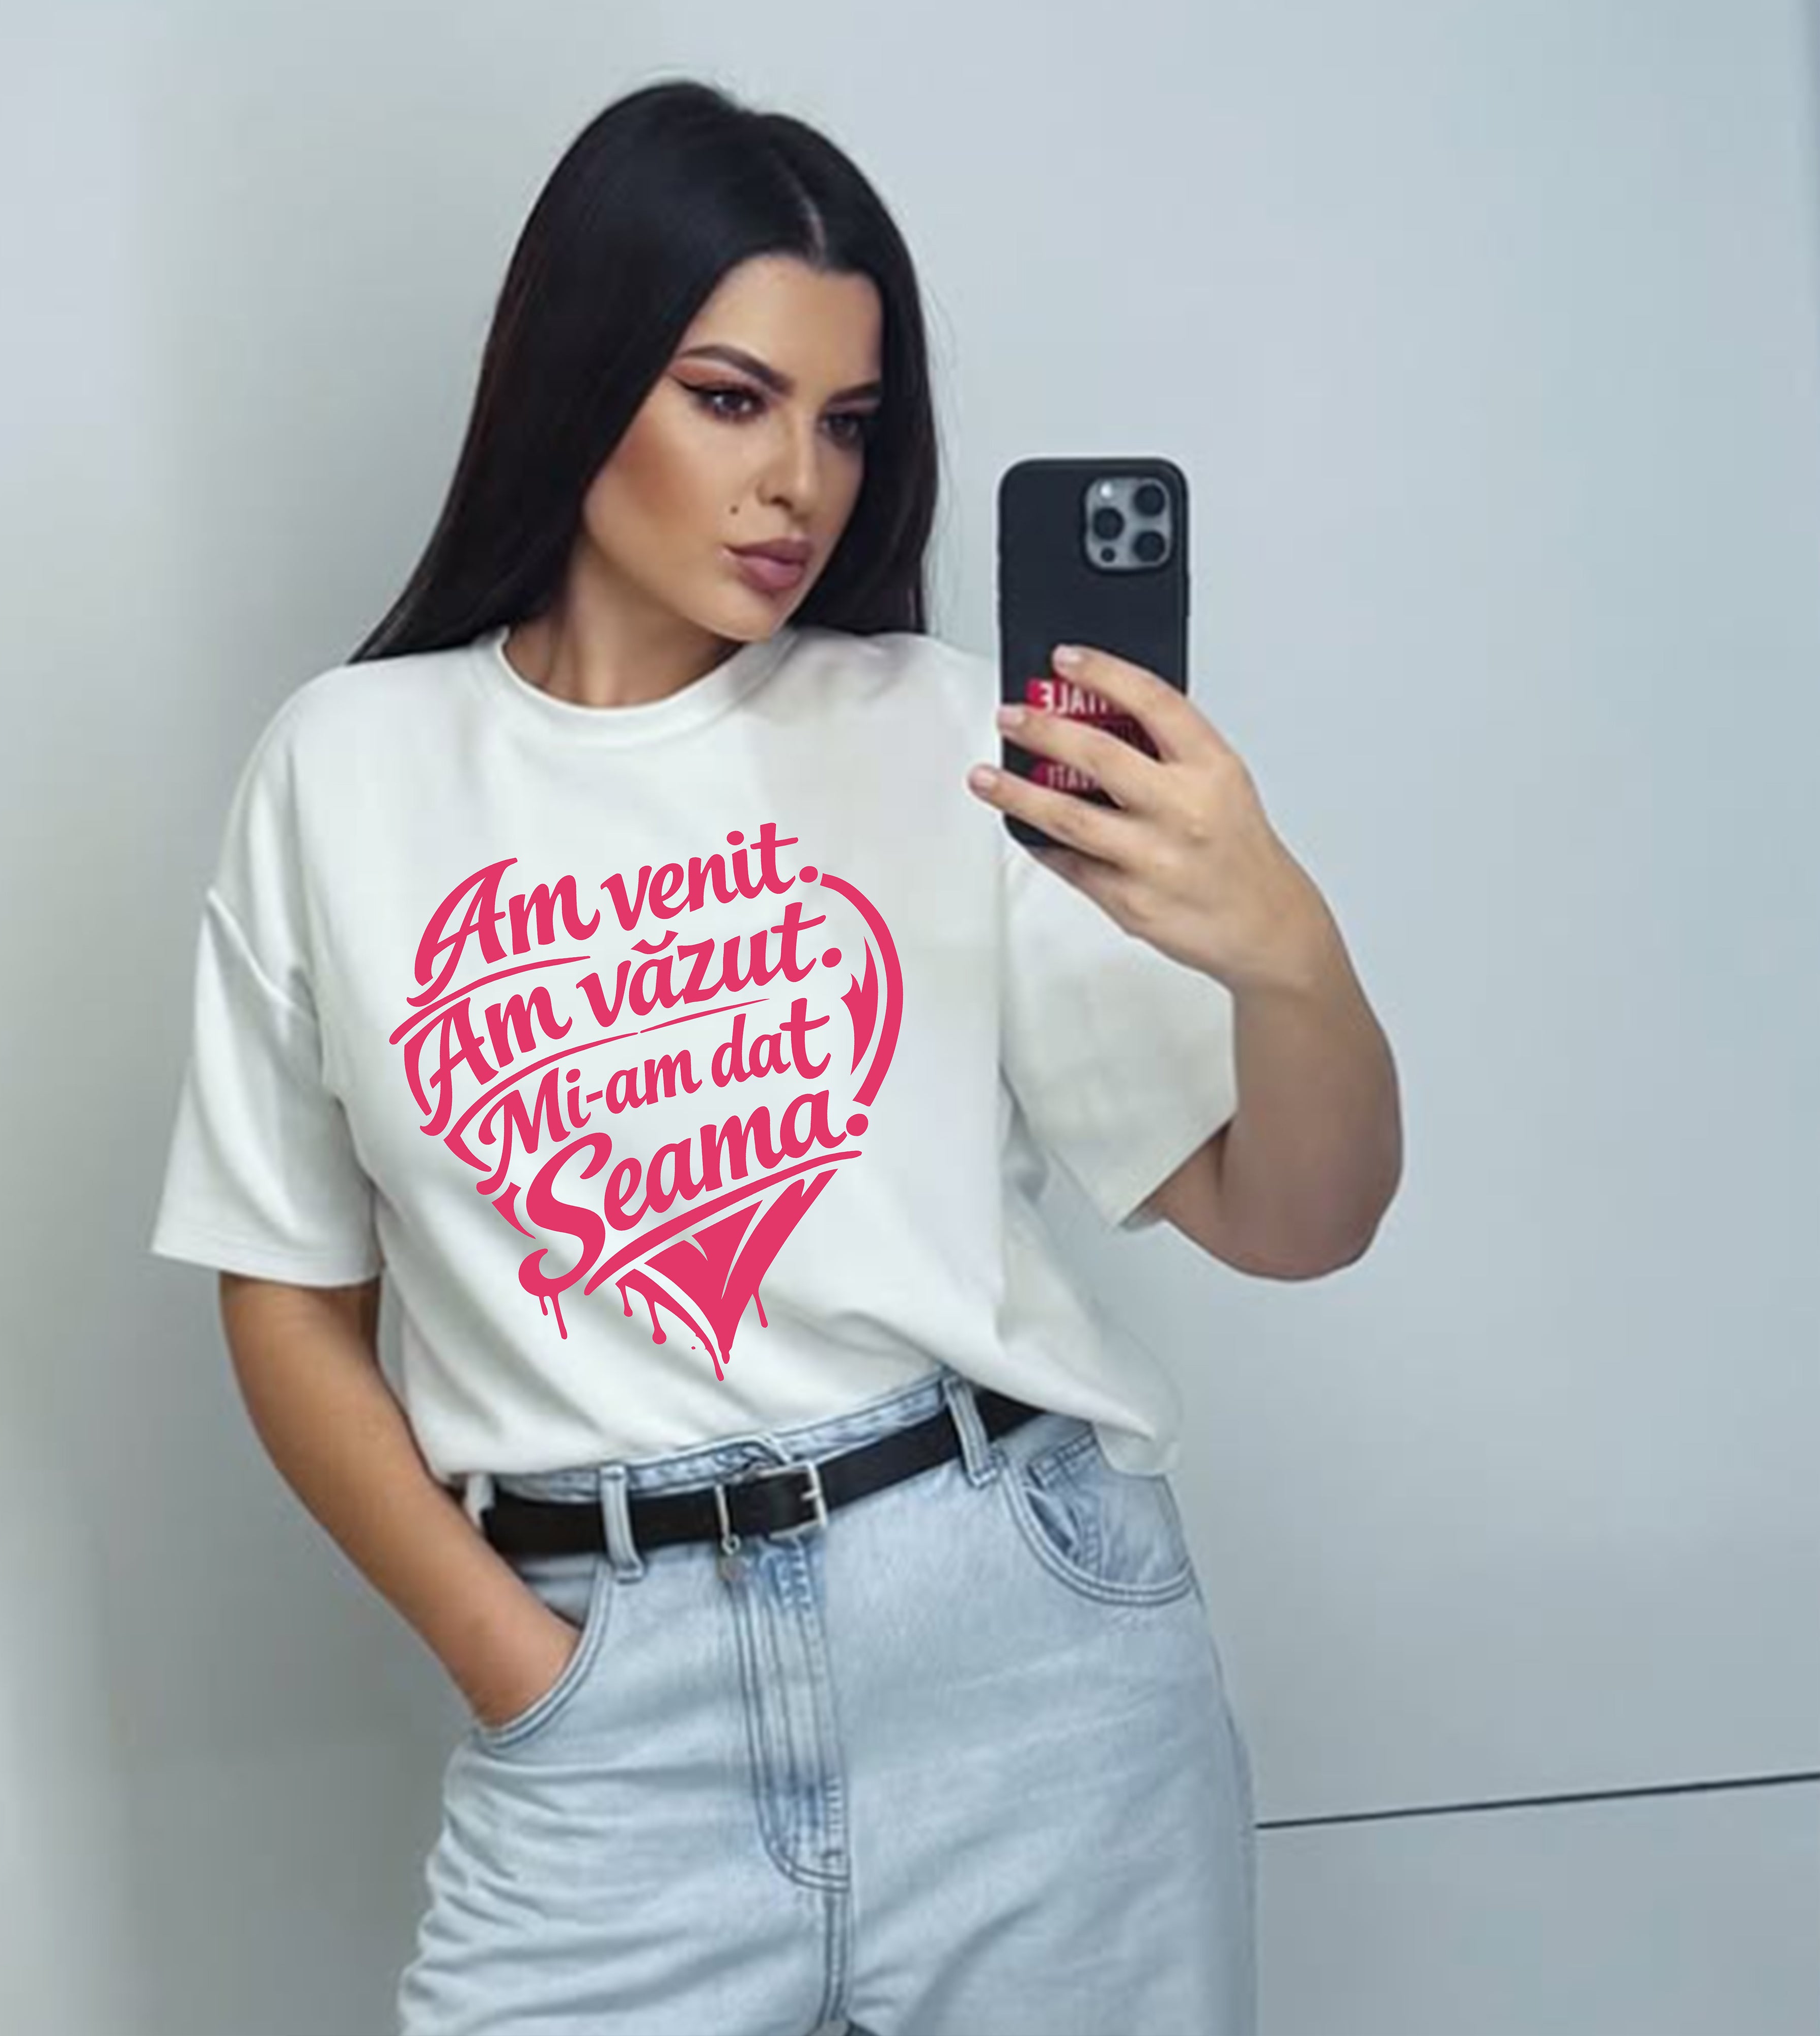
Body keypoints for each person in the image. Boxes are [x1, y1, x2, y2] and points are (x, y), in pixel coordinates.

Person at [147, 74, 1338, 2036]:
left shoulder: (944, 734)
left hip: (1025, 1667)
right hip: (610, 1714)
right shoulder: (345, 769)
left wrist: (1288, 953)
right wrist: (518, 1662)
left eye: (848, 423)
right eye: (731, 398)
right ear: (577, 376)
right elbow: (283, 1293)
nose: (800, 482)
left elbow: (1293, 1220)